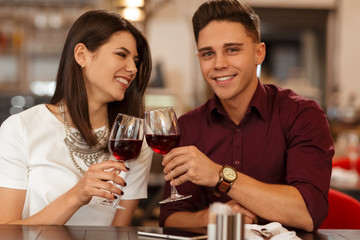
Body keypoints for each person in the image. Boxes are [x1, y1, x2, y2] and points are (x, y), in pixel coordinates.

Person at [159, 0, 334, 232]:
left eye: (232, 50)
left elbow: (308, 212)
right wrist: (211, 218)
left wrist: (220, 175)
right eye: (208, 53)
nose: (219, 64)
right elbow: (170, 218)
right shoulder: (188, 126)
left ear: (258, 53)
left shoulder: (303, 115)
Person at [0, 10, 152, 226]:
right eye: (121, 54)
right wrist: (77, 195)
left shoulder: (135, 142)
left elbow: (119, 232)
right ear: (82, 55)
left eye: (136, 60)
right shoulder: (20, 128)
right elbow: (5, 232)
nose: (133, 69)